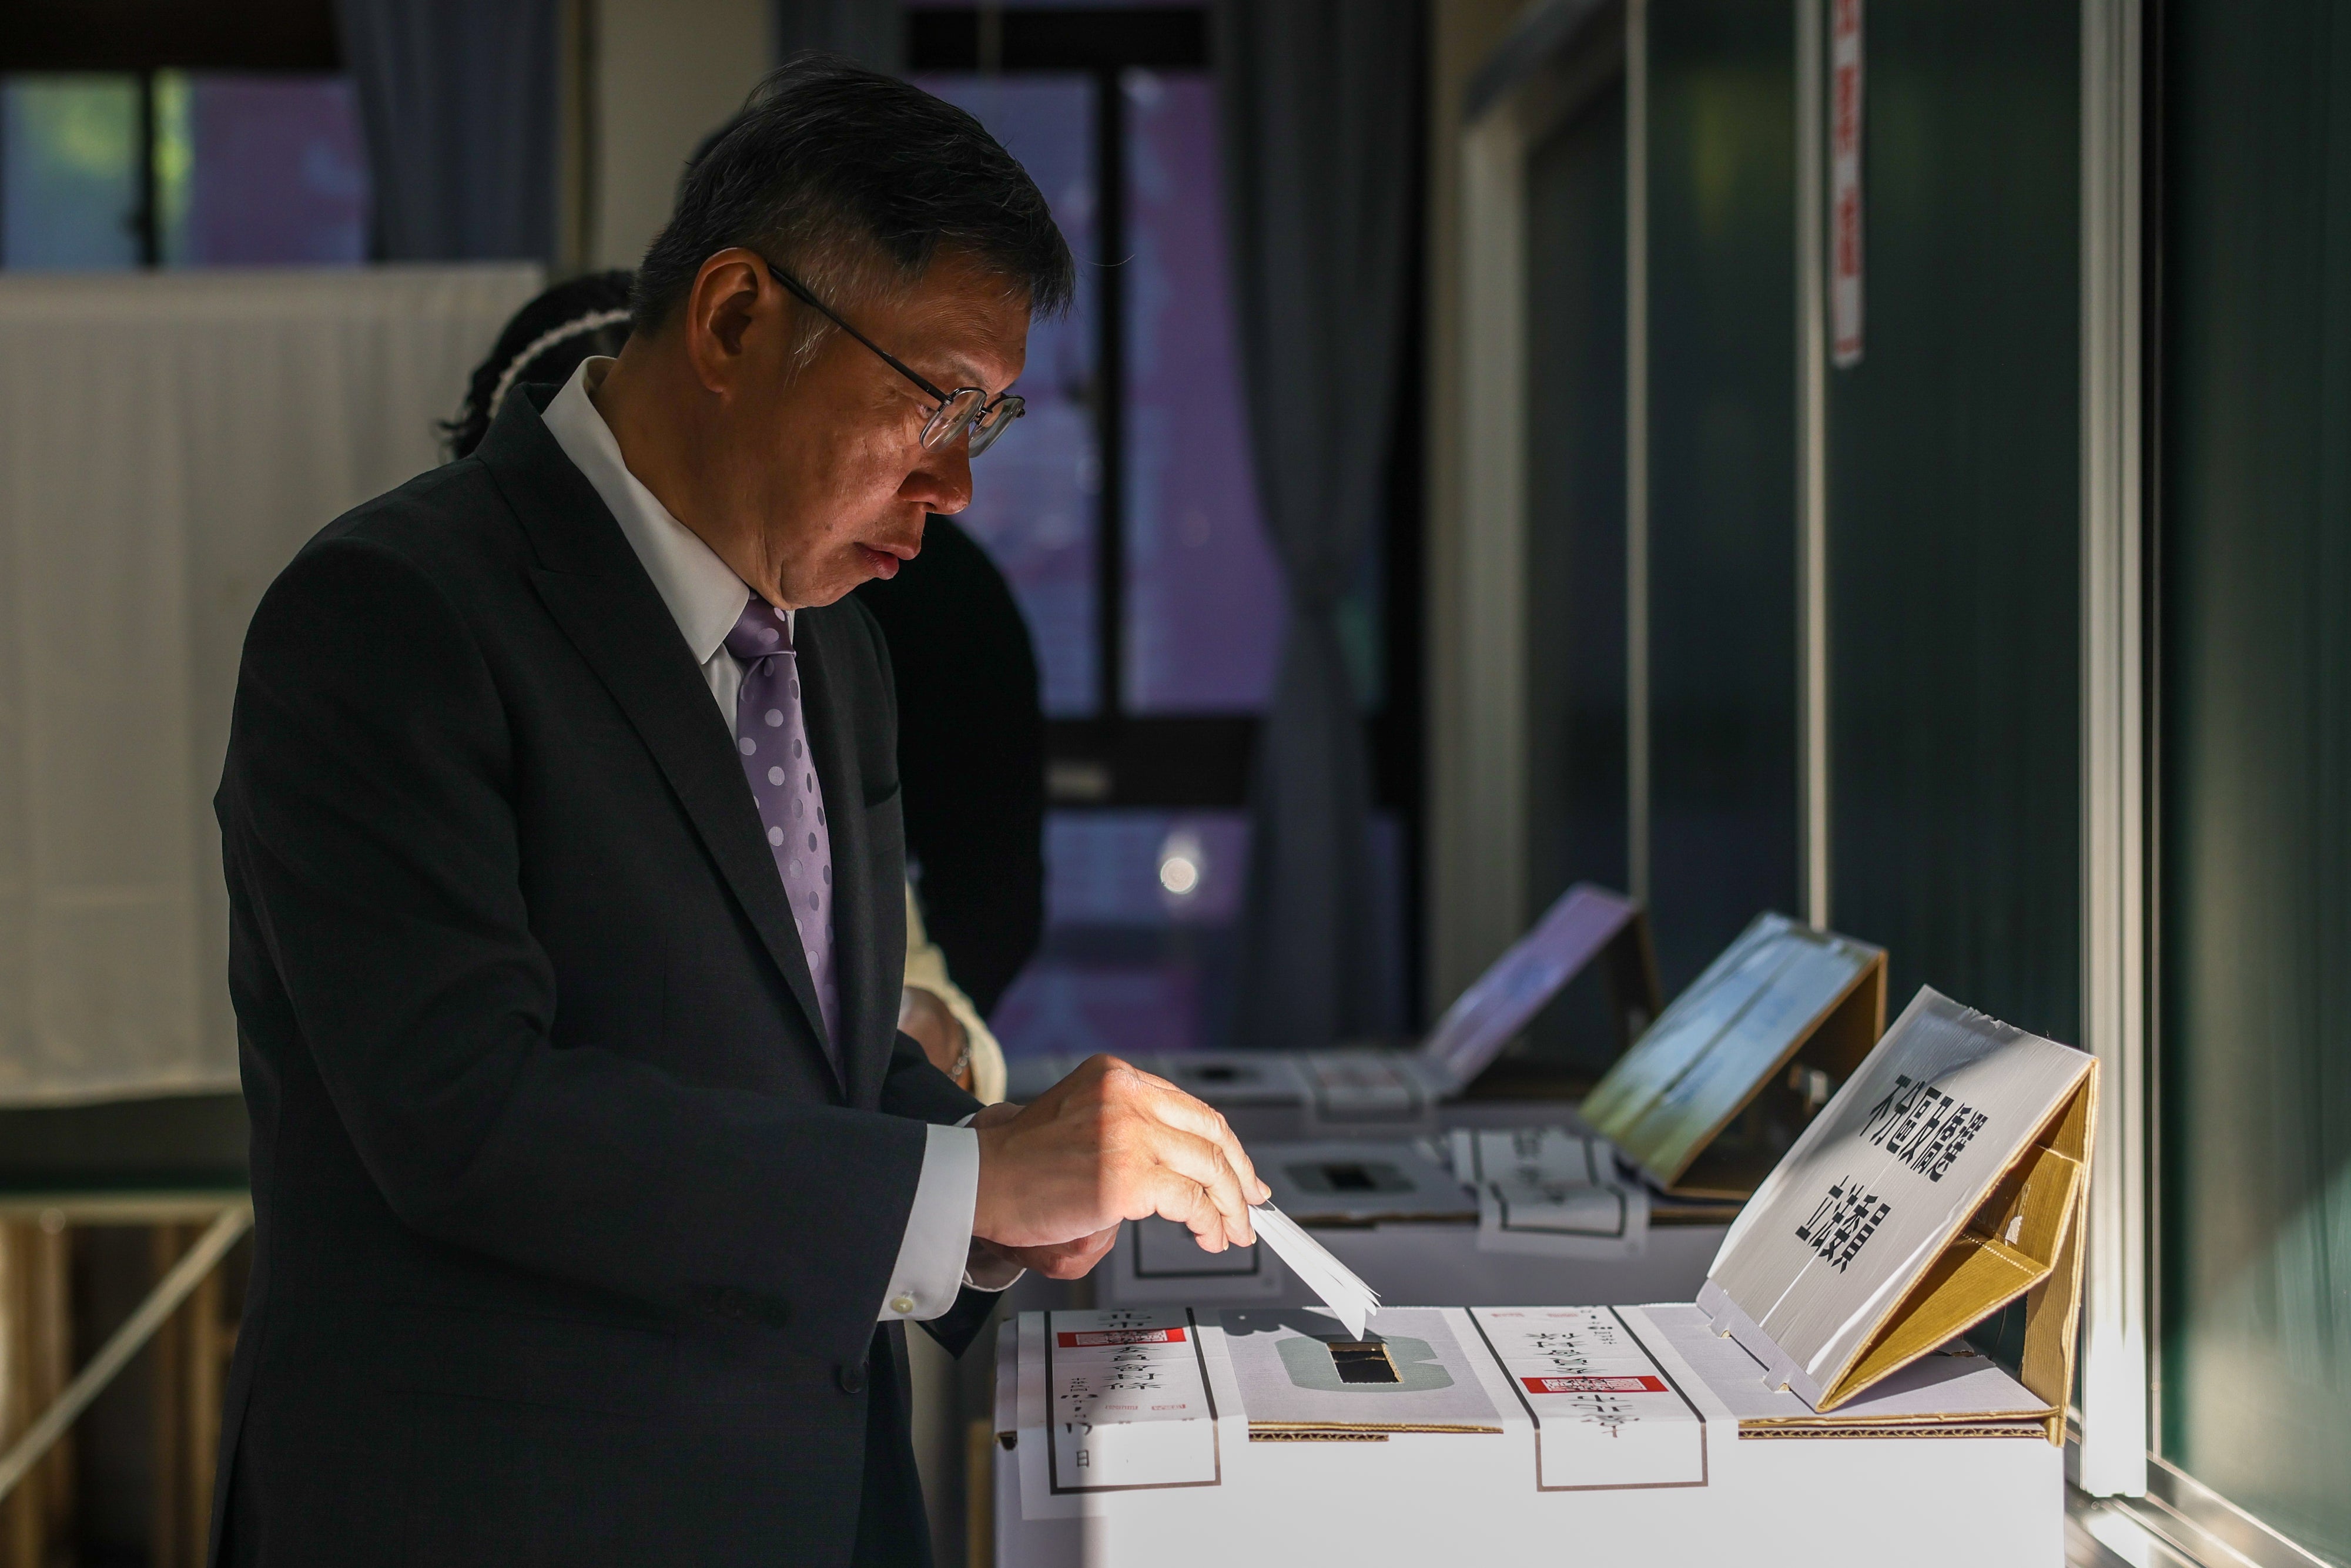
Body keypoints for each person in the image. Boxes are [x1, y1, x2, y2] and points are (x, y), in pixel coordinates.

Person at [209, 56, 1265, 1567]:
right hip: (504, 1507)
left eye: (996, 415)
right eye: (934, 403)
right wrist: (961, 1175)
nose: (961, 483)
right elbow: (468, 1117)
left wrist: (997, 1179)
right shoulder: (390, 614)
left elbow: (803, 1060)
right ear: (732, 321)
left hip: (815, 1493)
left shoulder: (830, 637)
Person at [446, 274, 1040, 1105]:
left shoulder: (834, 639)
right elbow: (476, 1102)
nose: (949, 490)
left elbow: (889, 1004)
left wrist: (974, 1136)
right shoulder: (427, 640)